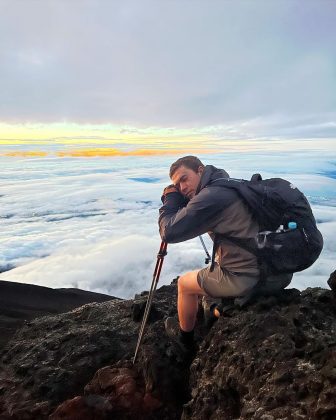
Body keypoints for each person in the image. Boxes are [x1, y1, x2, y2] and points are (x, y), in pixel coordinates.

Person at [158, 155, 292, 357]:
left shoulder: (210, 198)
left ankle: (185, 343)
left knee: (184, 285)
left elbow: (169, 231)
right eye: (177, 185)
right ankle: (218, 312)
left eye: (184, 178)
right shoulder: (230, 186)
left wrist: (170, 199)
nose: (182, 187)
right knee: (214, 274)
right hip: (280, 272)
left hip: (250, 279)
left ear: (200, 170)